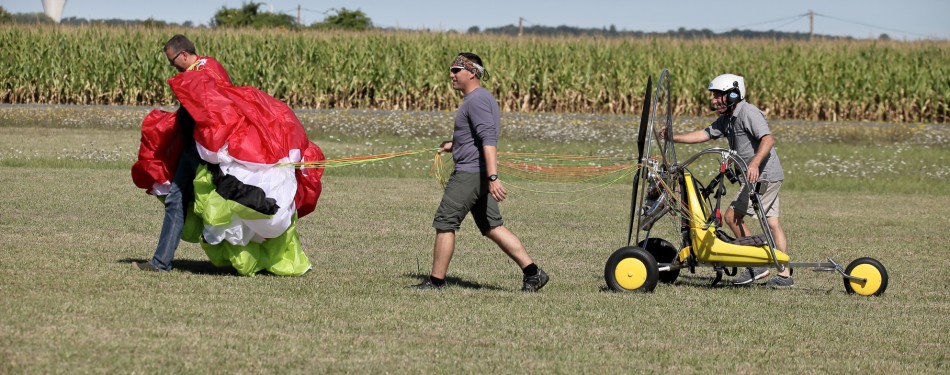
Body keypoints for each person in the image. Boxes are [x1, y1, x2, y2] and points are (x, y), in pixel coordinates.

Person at [412, 53, 549, 292]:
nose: (451, 75)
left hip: (470, 174)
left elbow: (488, 139)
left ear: (471, 72)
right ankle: (533, 273)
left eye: (456, 70)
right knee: (491, 227)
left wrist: (493, 177)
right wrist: (453, 145)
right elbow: (477, 137)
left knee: (445, 223)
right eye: (451, 70)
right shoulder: (480, 99)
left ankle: (435, 282)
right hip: (478, 173)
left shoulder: (476, 100)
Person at [663, 74, 792, 287]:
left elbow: (768, 139)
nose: (714, 100)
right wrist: (673, 137)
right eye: (713, 95)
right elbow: (704, 134)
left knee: (732, 217)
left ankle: (758, 267)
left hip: (763, 175)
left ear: (733, 94)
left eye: (718, 95)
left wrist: (754, 163)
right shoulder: (727, 118)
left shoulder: (748, 113)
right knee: (772, 223)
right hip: (764, 175)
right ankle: (785, 274)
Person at [132, 35, 232, 272]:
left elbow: (220, 106)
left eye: (173, 61)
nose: (172, 66)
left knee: (226, 201)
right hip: (193, 148)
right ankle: (160, 262)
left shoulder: (208, 69)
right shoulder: (194, 73)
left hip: (209, 150)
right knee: (177, 200)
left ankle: (238, 257)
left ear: (184, 54)